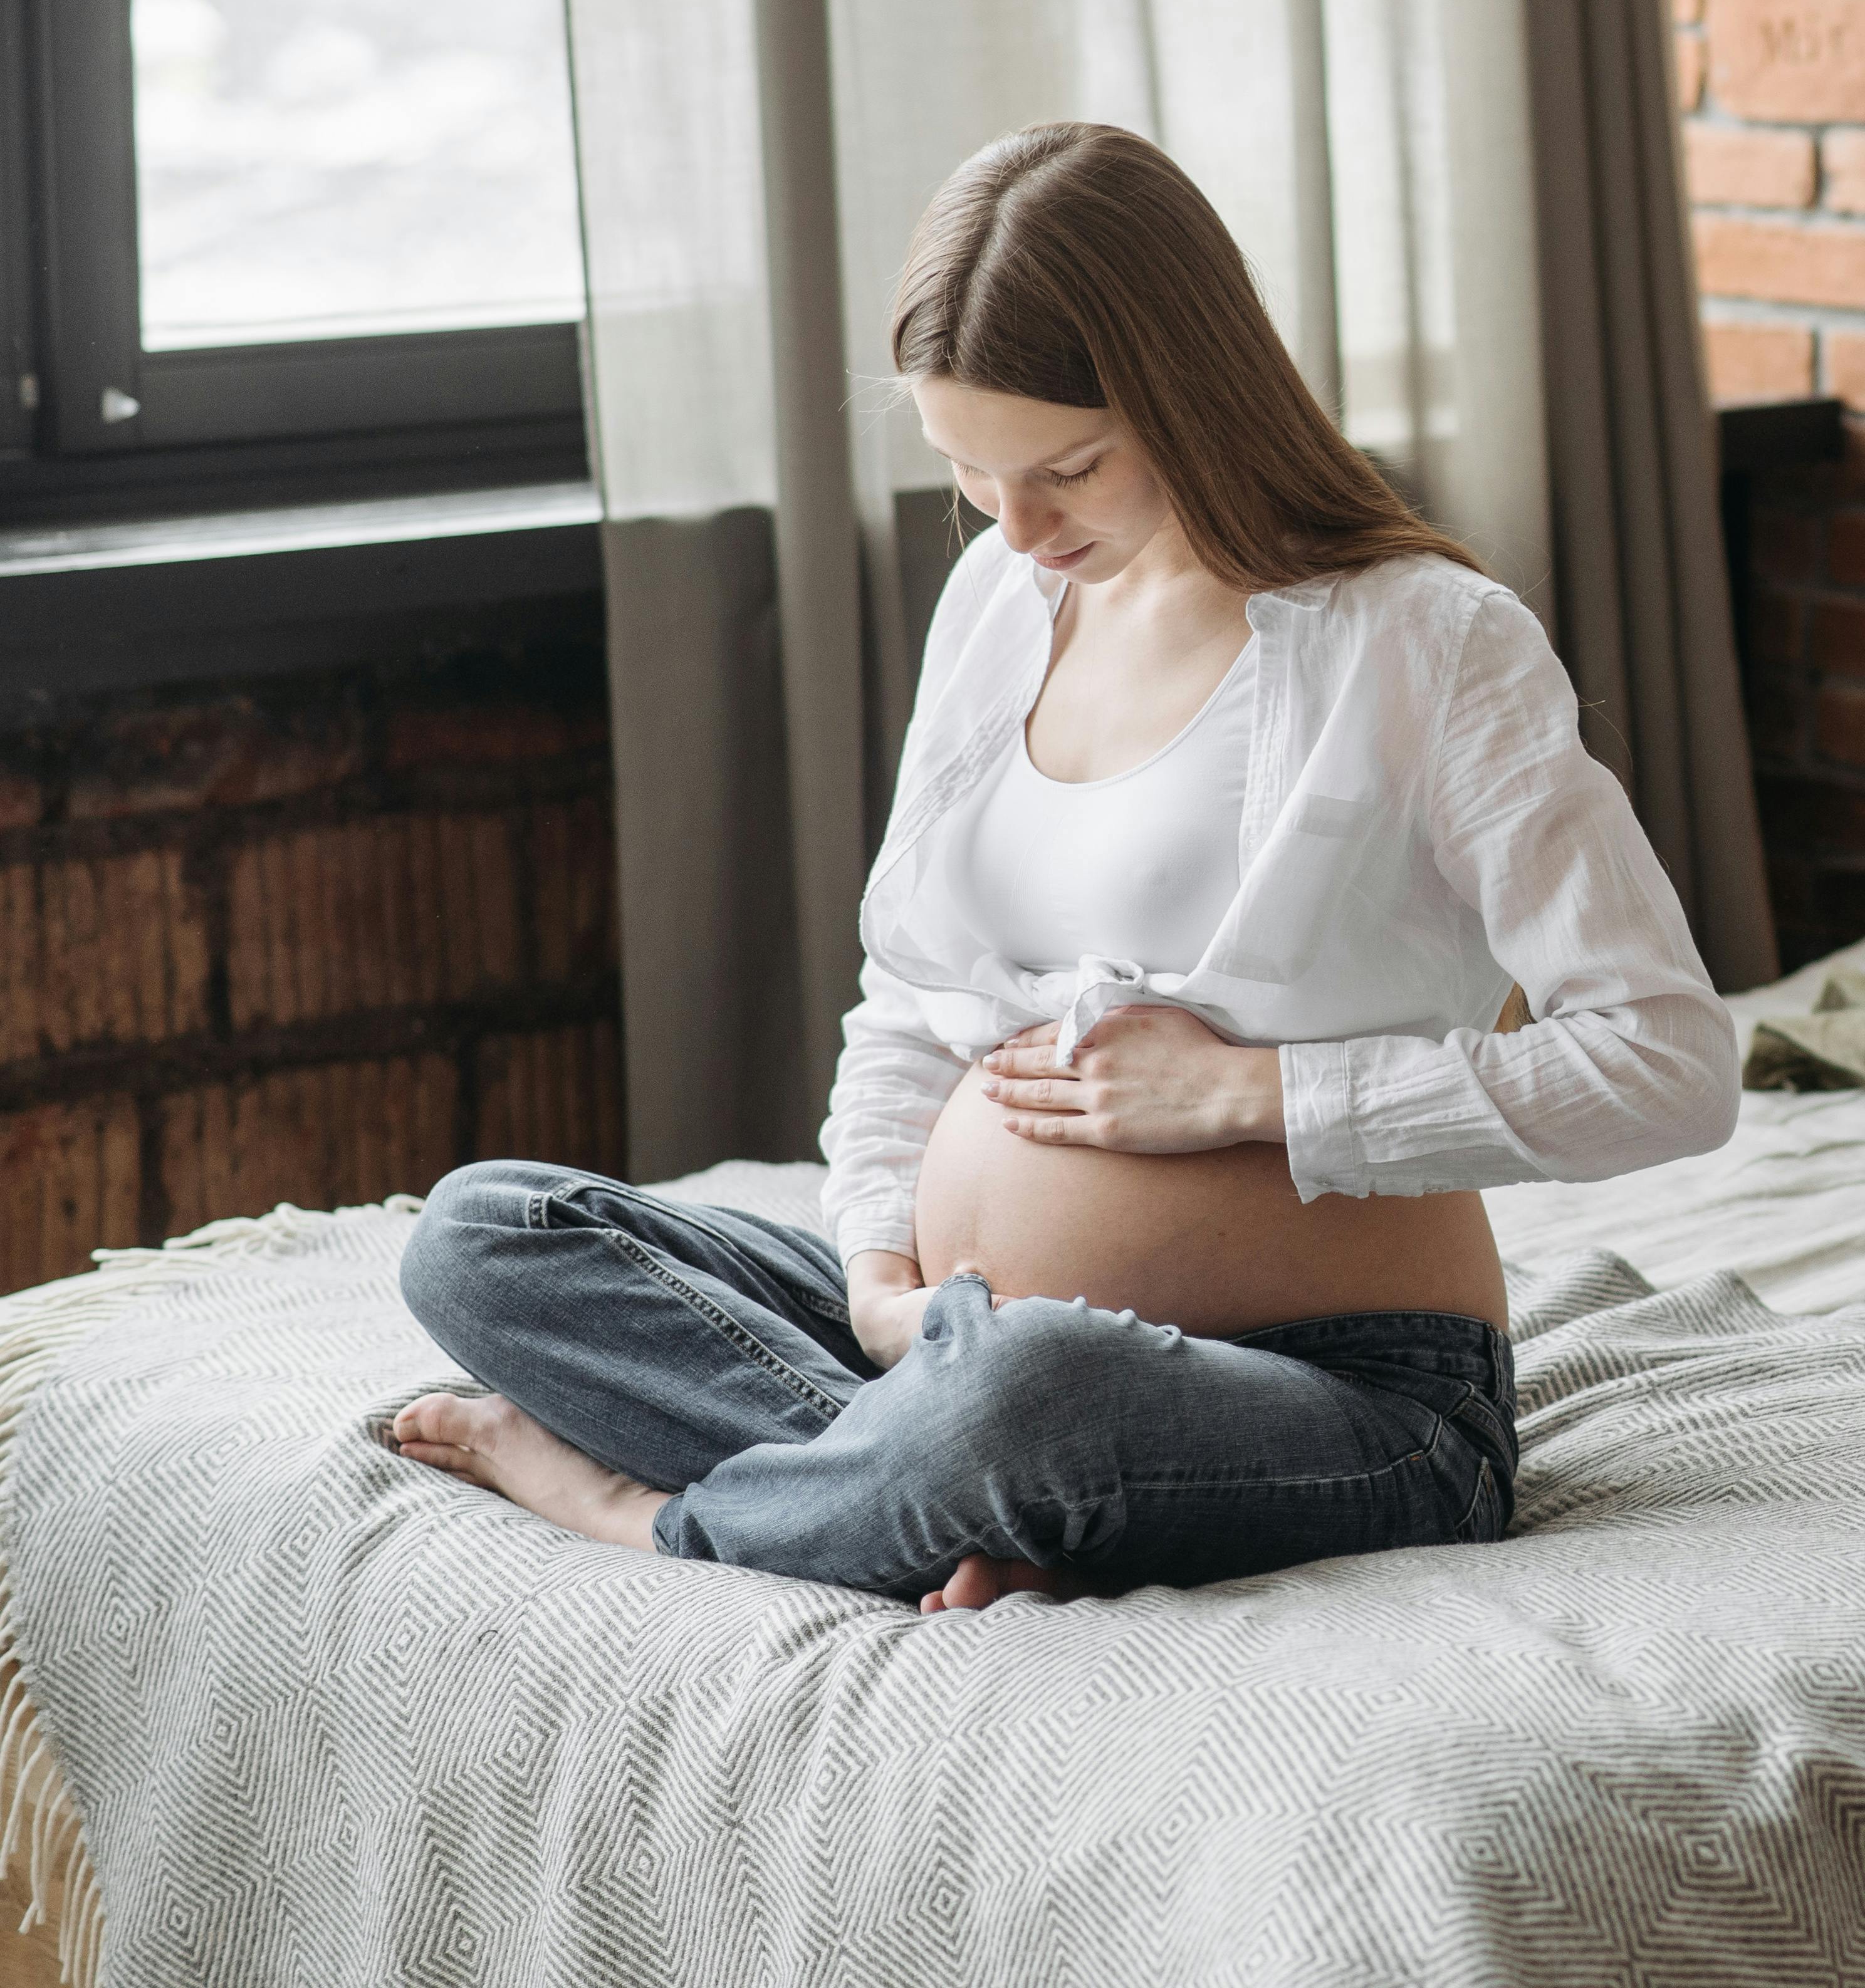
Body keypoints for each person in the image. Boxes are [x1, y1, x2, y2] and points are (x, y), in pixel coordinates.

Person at [387, 121, 1737, 1610]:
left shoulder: (1421, 641)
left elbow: (1668, 1061)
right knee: (484, 1235)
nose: (1017, 528)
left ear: (1189, 393)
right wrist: (877, 1274)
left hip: (1344, 1398)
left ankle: (659, 1514)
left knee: (1031, 1394)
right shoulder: (1002, 599)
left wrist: (1246, 1093)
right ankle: (922, 1476)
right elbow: (908, 1003)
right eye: (968, 469)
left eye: (1066, 469)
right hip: (954, 1344)